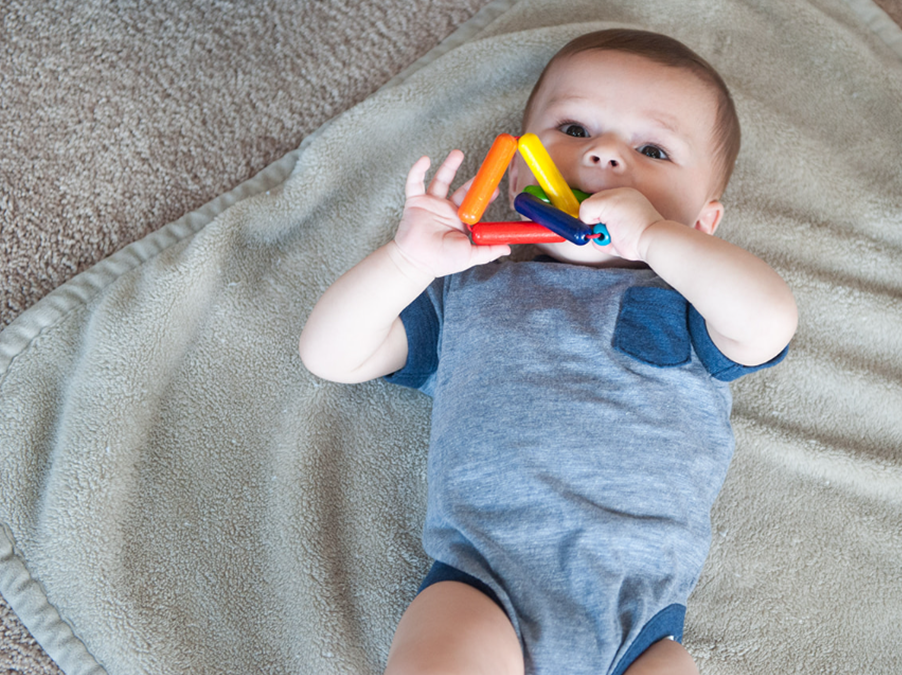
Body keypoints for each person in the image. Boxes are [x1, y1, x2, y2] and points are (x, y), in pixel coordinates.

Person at [299, 28, 799, 675]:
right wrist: (405, 261)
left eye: (653, 149)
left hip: (640, 619)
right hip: (484, 579)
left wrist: (653, 240)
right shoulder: (473, 283)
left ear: (703, 223)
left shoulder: (693, 302)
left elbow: (770, 321)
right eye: (574, 127)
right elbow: (331, 354)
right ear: (516, 176)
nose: (607, 156)